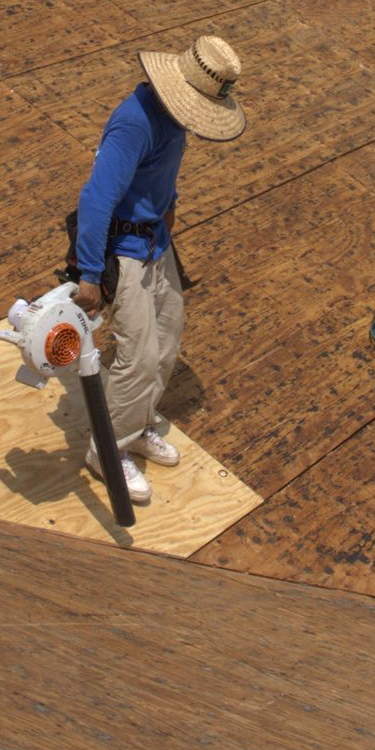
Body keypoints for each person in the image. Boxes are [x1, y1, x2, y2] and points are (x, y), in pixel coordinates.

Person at [71, 35, 247, 506]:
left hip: (155, 241)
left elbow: (161, 176)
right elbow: (96, 198)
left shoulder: (173, 120)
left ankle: (137, 422)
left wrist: (170, 206)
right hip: (124, 249)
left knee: (167, 338)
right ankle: (107, 451)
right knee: (138, 355)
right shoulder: (134, 123)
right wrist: (89, 275)